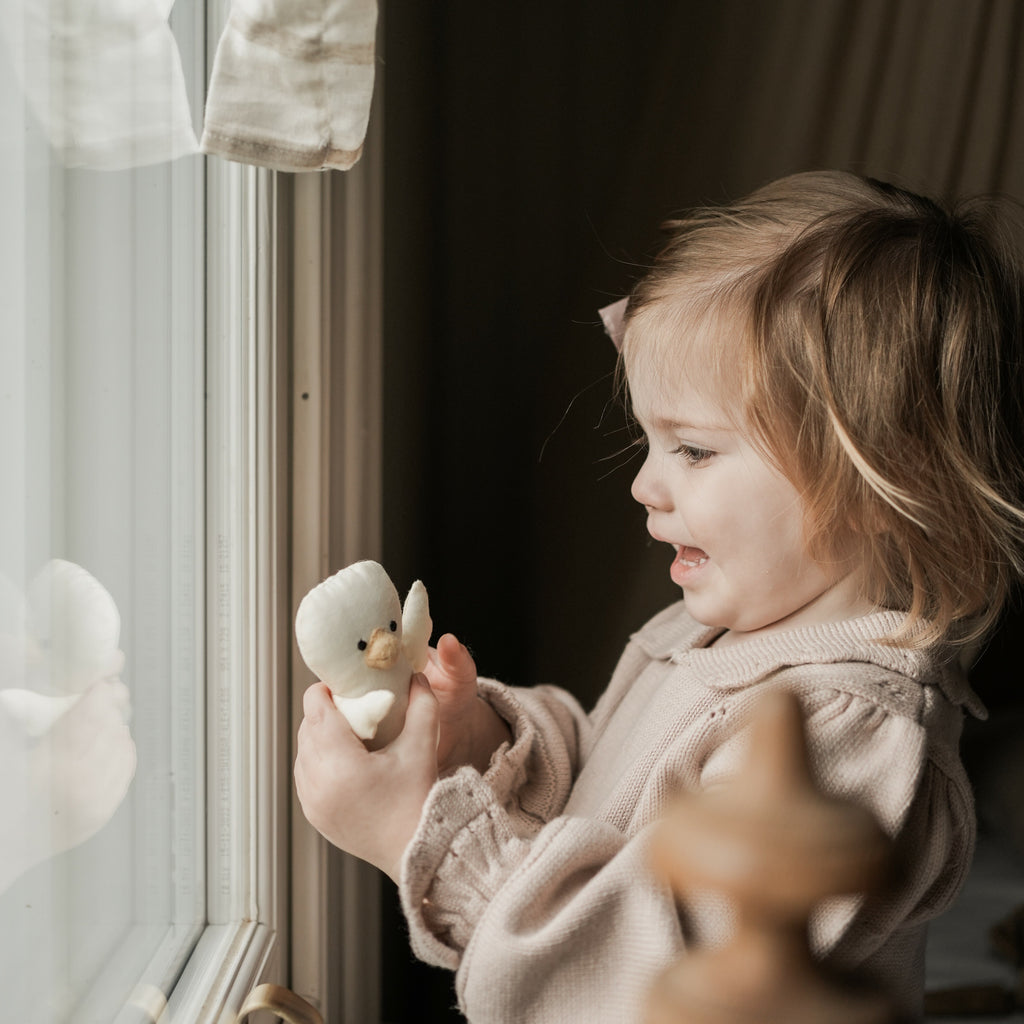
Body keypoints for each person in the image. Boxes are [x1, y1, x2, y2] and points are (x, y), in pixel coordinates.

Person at [294, 170, 1024, 1023]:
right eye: (649, 441)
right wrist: (480, 746)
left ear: (875, 478)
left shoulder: (845, 737)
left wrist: (419, 837)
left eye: (695, 451)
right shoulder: (717, 630)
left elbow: (643, 990)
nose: (645, 485)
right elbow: (609, 801)